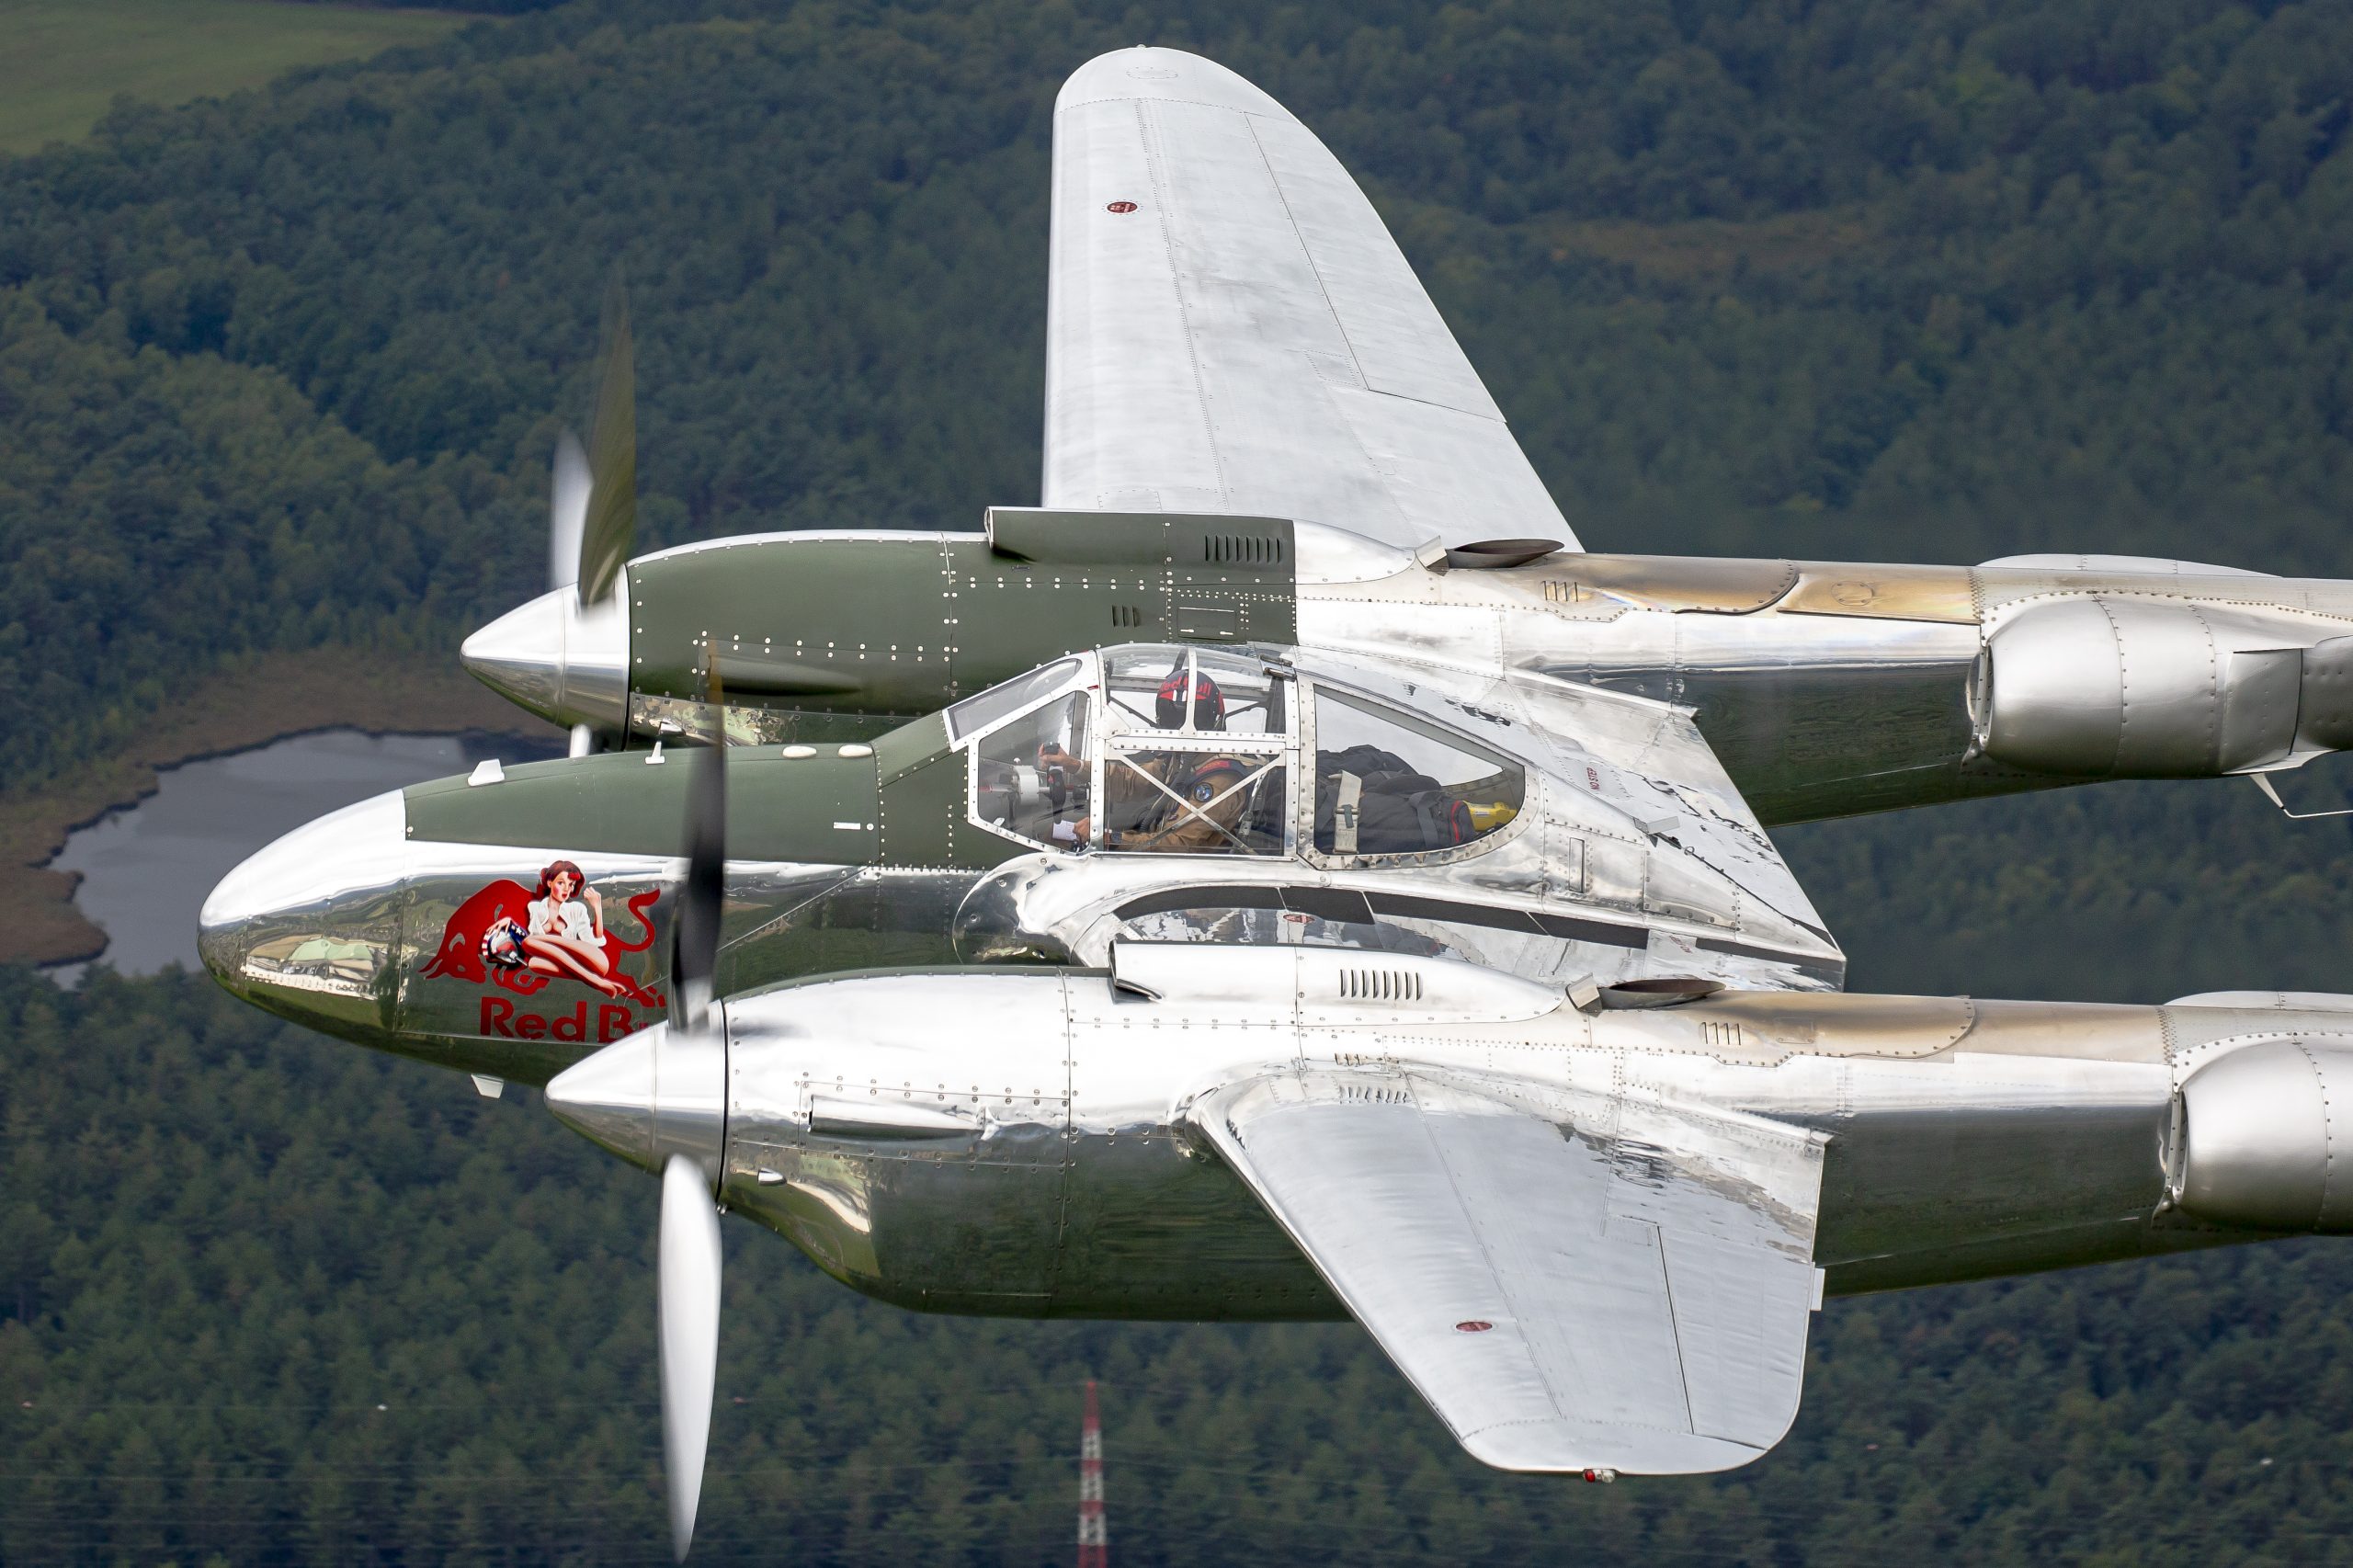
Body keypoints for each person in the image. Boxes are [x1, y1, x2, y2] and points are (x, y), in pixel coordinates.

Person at [1039, 670, 1256, 851]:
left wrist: (1109, 838)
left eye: (1194, 719)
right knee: (1053, 835)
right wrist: (1073, 764)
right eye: (1172, 718)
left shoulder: (1219, 780)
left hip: (1180, 871)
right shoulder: (1181, 761)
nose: (1181, 729)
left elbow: (1179, 846)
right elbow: (1131, 781)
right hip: (1157, 854)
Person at [485, 859, 625, 995]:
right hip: (572, 967)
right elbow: (536, 946)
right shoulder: (535, 907)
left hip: (595, 959)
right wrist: (511, 923)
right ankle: (592, 979)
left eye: (571, 884)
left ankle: (595, 981)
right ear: (549, 882)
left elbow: (594, 940)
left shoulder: (576, 908)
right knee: (534, 962)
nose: (566, 889)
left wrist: (597, 908)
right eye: (561, 883)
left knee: (530, 941)